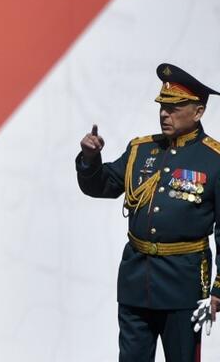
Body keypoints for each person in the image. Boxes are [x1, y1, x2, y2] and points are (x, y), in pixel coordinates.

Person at [76, 63, 220, 361]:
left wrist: (219, 289)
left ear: (198, 112)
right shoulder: (141, 150)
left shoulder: (213, 159)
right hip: (136, 281)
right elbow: (101, 186)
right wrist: (90, 159)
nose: (165, 114)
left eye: (175, 107)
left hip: (183, 284)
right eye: (162, 107)